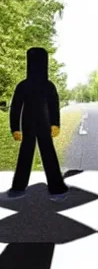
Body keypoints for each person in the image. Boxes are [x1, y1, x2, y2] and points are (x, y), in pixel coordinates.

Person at [8, 47, 69, 200]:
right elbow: (15, 107)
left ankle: (56, 188)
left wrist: (55, 124)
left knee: (46, 153)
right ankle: (19, 187)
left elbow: (54, 105)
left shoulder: (46, 86)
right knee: (27, 154)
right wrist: (15, 128)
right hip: (32, 124)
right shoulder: (27, 86)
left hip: (43, 124)